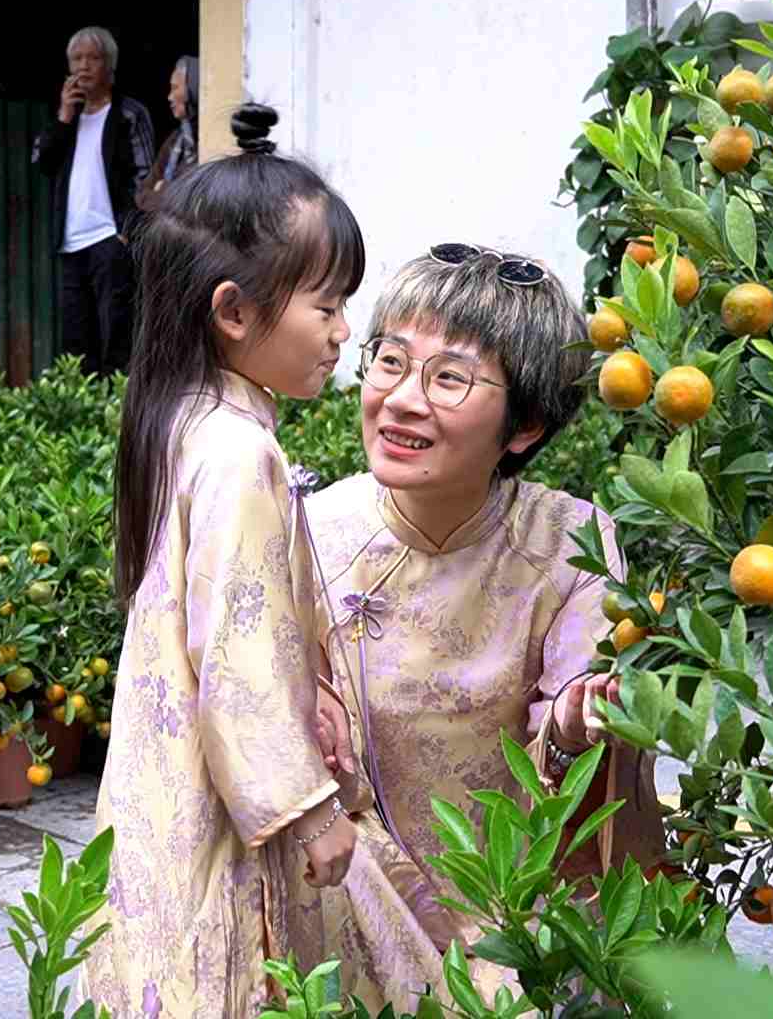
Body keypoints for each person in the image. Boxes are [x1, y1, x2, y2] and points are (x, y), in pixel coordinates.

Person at [298, 246, 664, 1008]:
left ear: (525, 425)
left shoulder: (572, 545)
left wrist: (572, 726)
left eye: (450, 378)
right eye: (391, 361)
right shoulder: (310, 531)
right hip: (348, 891)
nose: (401, 399)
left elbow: (575, 756)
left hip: (513, 906)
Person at [84, 104, 368, 1017]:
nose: (343, 332)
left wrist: (316, 686)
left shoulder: (186, 420)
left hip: (162, 774)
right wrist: (305, 809)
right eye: (328, 305)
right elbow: (238, 656)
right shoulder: (239, 451)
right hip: (218, 795)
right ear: (234, 312)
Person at [32, 26, 155, 374]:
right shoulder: (62, 116)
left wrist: (128, 232)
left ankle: (117, 409)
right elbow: (43, 163)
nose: (84, 66)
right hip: (71, 243)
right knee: (76, 338)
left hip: (111, 238)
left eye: (93, 58)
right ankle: (83, 415)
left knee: (117, 333)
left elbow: (146, 181)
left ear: (110, 66)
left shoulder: (129, 113)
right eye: (76, 59)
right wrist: (63, 118)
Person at [137, 55, 199, 214]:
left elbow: (192, 201)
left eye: (175, 88)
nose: (169, 97)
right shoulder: (175, 139)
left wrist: (162, 189)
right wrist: (168, 194)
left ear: (194, 88)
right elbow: (142, 194)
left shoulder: (209, 137)